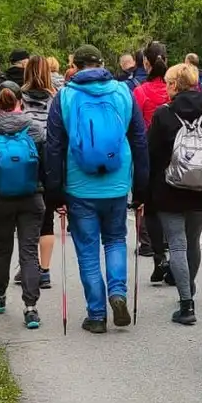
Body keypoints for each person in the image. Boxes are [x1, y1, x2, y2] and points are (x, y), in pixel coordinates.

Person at [45, 44, 148, 334]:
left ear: (74, 67)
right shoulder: (122, 92)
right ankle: (118, 293)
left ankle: (97, 314)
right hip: (117, 184)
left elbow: (54, 148)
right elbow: (139, 140)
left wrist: (55, 192)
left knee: (88, 250)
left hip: (79, 187)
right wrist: (141, 188)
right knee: (115, 240)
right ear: (102, 63)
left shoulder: (64, 96)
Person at [147, 62, 202, 325]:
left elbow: (152, 153)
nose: (166, 87)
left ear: (175, 85)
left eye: (167, 82)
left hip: (170, 188)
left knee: (176, 242)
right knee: (193, 241)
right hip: (201, 188)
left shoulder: (163, 115)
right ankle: (190, 285)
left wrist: (145, 191)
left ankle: (186, 304)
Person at [0, 87, 46, 330]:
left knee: (3, 249)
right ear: (19, 102)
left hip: (1, 197)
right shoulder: (34, 128)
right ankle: (31, 308)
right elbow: (45, 164)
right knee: (28, 252)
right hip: (32, 197)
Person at [19, 54, 59, 289]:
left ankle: (27, 265)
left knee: (25, 216)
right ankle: (44, 271)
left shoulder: (18, 95)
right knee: (47, 219)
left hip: (23, 159)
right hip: (49, 160)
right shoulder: (56, 96)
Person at [133, 40, 171, 280]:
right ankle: (174, 252)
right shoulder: (175, 87)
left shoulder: (140, 91)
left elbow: (134, 127)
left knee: (152, 210)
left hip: (150, 156)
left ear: (145, 63)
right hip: (178, 155)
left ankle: (159, 257)